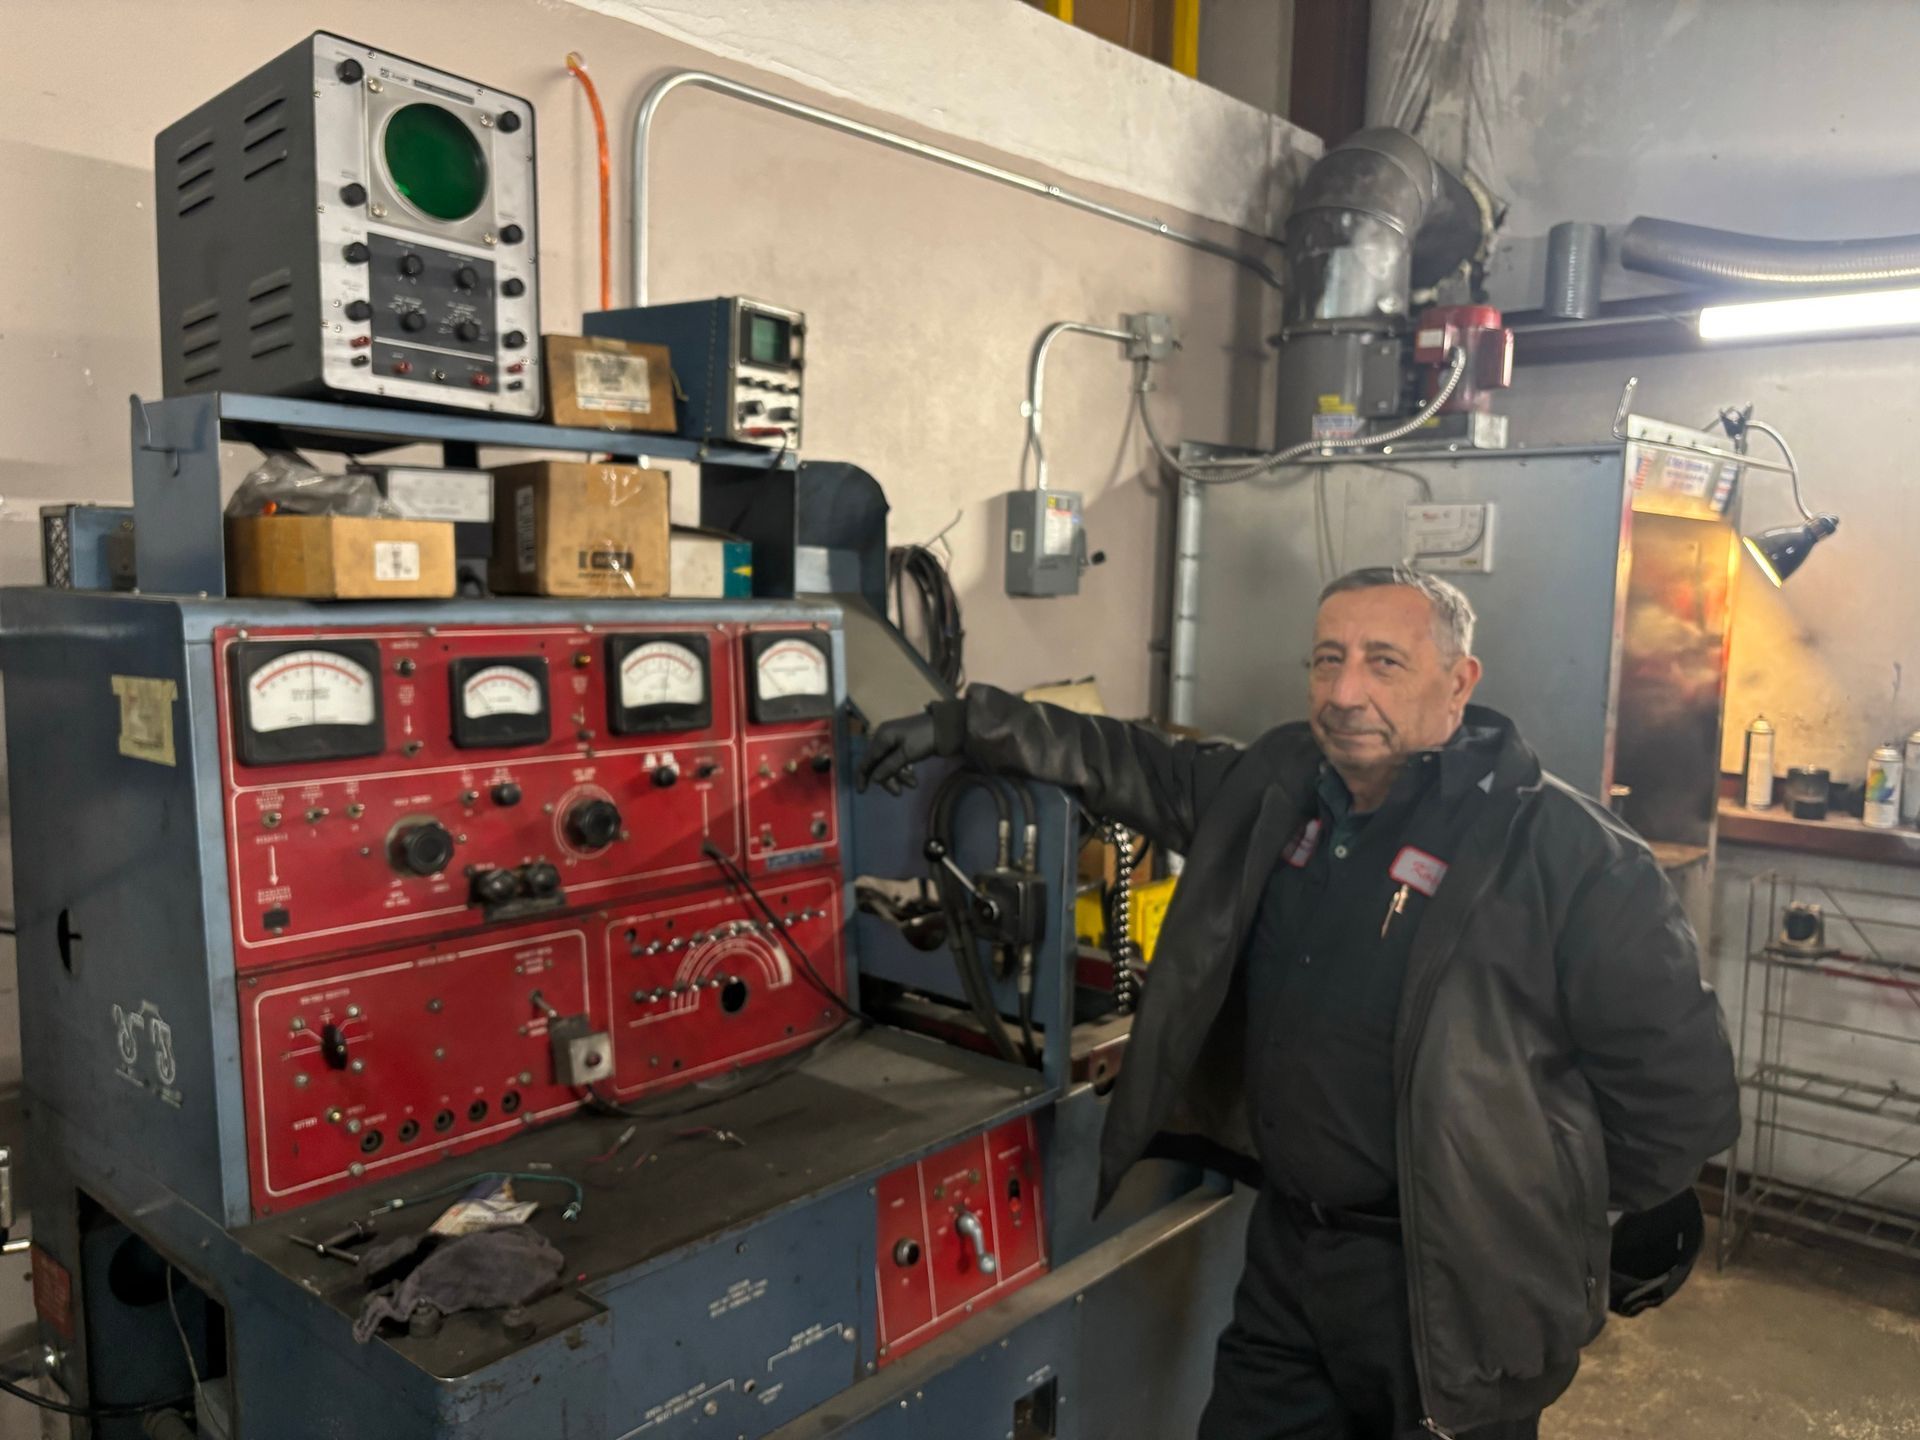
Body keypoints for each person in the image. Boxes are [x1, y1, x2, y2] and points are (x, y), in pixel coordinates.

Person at [857, 565, 1740, 1440]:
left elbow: (1677, 1096)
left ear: (1458, 681)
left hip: (1453, 1284)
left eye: (1384, 663)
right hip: (1292, 1255)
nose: (1346, 692)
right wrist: (964, 721)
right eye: (1328, 660)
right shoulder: (1280, 789)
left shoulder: (1567, 854)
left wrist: (1538, 1207)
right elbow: (1123, 759)